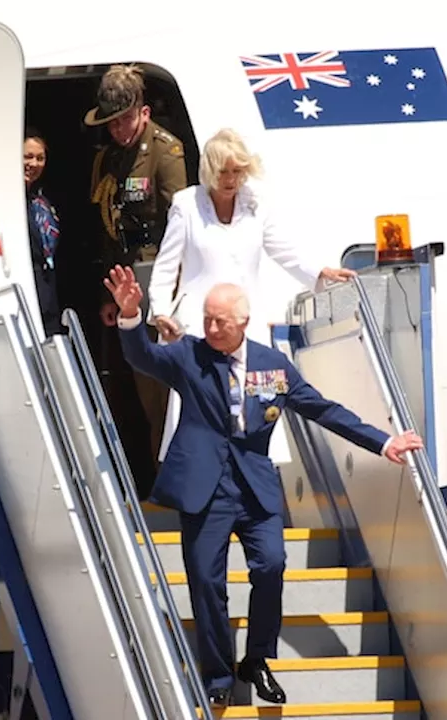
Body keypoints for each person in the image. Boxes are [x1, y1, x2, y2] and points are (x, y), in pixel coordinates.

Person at [103, 266, 424, 706]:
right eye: (208, 319)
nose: (212, 328)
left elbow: (324, 410)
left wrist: (383, 441)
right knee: (205, 580)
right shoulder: (189, 356)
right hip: (205, 489)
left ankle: (256, 659)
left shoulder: (274, 366)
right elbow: (142, 357)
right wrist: (130, 315)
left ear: (244, 323)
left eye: (221, 321)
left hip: (254, 488)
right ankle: (218, 676)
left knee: (271, 565)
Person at [144, 128, 357, 466]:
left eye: (238, 171)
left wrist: (320, 272)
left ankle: (252, 470)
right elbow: (166, 267)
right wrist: (159, 312)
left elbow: (283, 250)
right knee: (202, 405)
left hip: (246, 322)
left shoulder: (255, 204)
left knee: (252, 401)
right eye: (224, 172)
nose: (231, 180)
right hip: (202, 324)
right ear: (210, 171)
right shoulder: (187, 205)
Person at [84, 63, 190, 486]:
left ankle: (172, 478)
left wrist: (170, 291)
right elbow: (107, 227)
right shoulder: (108, 159)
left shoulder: (165, 151)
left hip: (159, 278)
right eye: (111, 123)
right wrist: (108, 293)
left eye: (126, 120)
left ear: (143, 113)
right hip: (126, 282)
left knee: (162, 388)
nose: (119, 130)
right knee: (139, 387)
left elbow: (179, 223)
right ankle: (157, 474)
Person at [23, 129, 63, 337]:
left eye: (40, 158)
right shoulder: (10, 198)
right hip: (28, 288)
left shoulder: (40, 200)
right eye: (27, 156)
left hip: (47, 289)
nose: (34, 163)